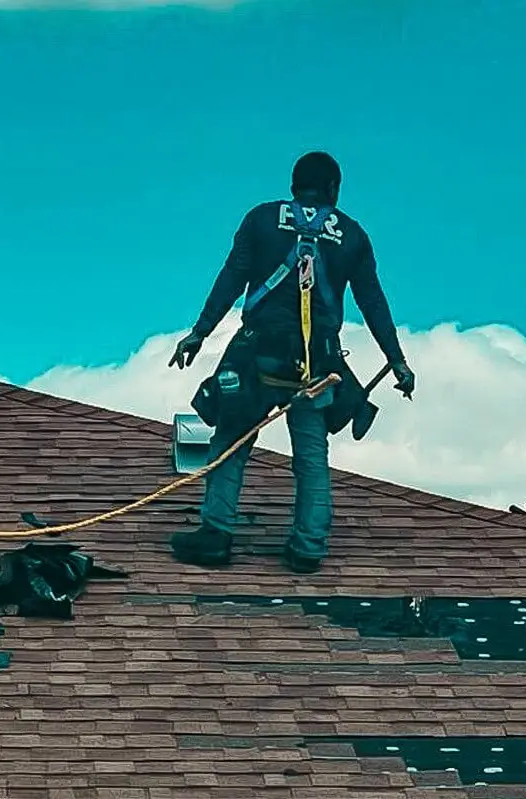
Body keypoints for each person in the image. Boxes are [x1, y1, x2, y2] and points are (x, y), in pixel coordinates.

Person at [166, 151, 414, 574]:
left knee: (230, 441)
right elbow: (373, 301)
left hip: (256, 358)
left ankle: (216, 536)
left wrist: (200, 331)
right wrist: (397, 360)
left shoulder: (262, 219)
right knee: (311, 458)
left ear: (293, 186)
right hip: (316, 365)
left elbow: (232, 276)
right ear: (334, 189)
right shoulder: (351, 235)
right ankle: (307, 547)